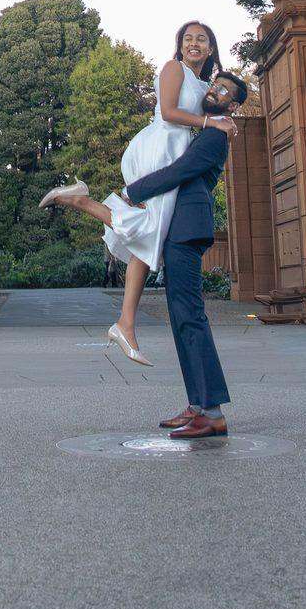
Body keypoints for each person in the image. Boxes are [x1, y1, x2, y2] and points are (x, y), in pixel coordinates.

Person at [39, 20, 240, 377]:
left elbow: (213, 111)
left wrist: (221, 121)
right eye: (188, 38)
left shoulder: (202, 83)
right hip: (161, 147)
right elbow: (168, 114)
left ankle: (125, 322)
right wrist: (211, 124)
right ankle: (83, 203)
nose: (194, 44)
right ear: (179, 45)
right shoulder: (173, 67)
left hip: (173, 148)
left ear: (211, 49)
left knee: (147, 238)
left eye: (202, 40)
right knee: (149, 234)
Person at [122, 76, 243, 439]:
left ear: (233, 107)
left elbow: (179, 173)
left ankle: (212, 411)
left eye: (224, 92)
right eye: (214, 86)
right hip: (180, 227)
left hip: (188, 227)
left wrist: (134, 192)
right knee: (181, 317)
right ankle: (197, 404)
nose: (214, 92)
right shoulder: (202, 130)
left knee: (190, 316)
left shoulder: (214, 136)